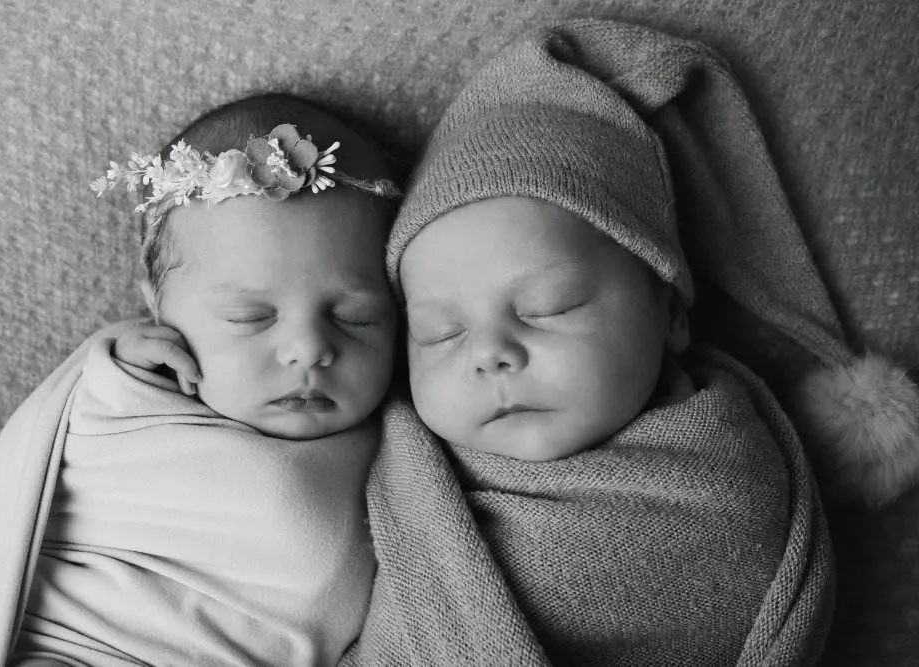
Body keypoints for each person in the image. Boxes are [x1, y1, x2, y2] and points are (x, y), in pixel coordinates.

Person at [340, 17, 914, 667]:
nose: (488, 353)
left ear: (669, 314)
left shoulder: (728, 473)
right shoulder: (390, 463)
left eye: (548, 307)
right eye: (440, 333)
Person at [0, 94, 403, 667]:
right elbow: (40, 457)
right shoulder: (122, 396)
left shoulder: (406, 449)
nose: (308, 348)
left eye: (356, 317)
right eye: (250, 317)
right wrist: (117, 368)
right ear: (158, 311)